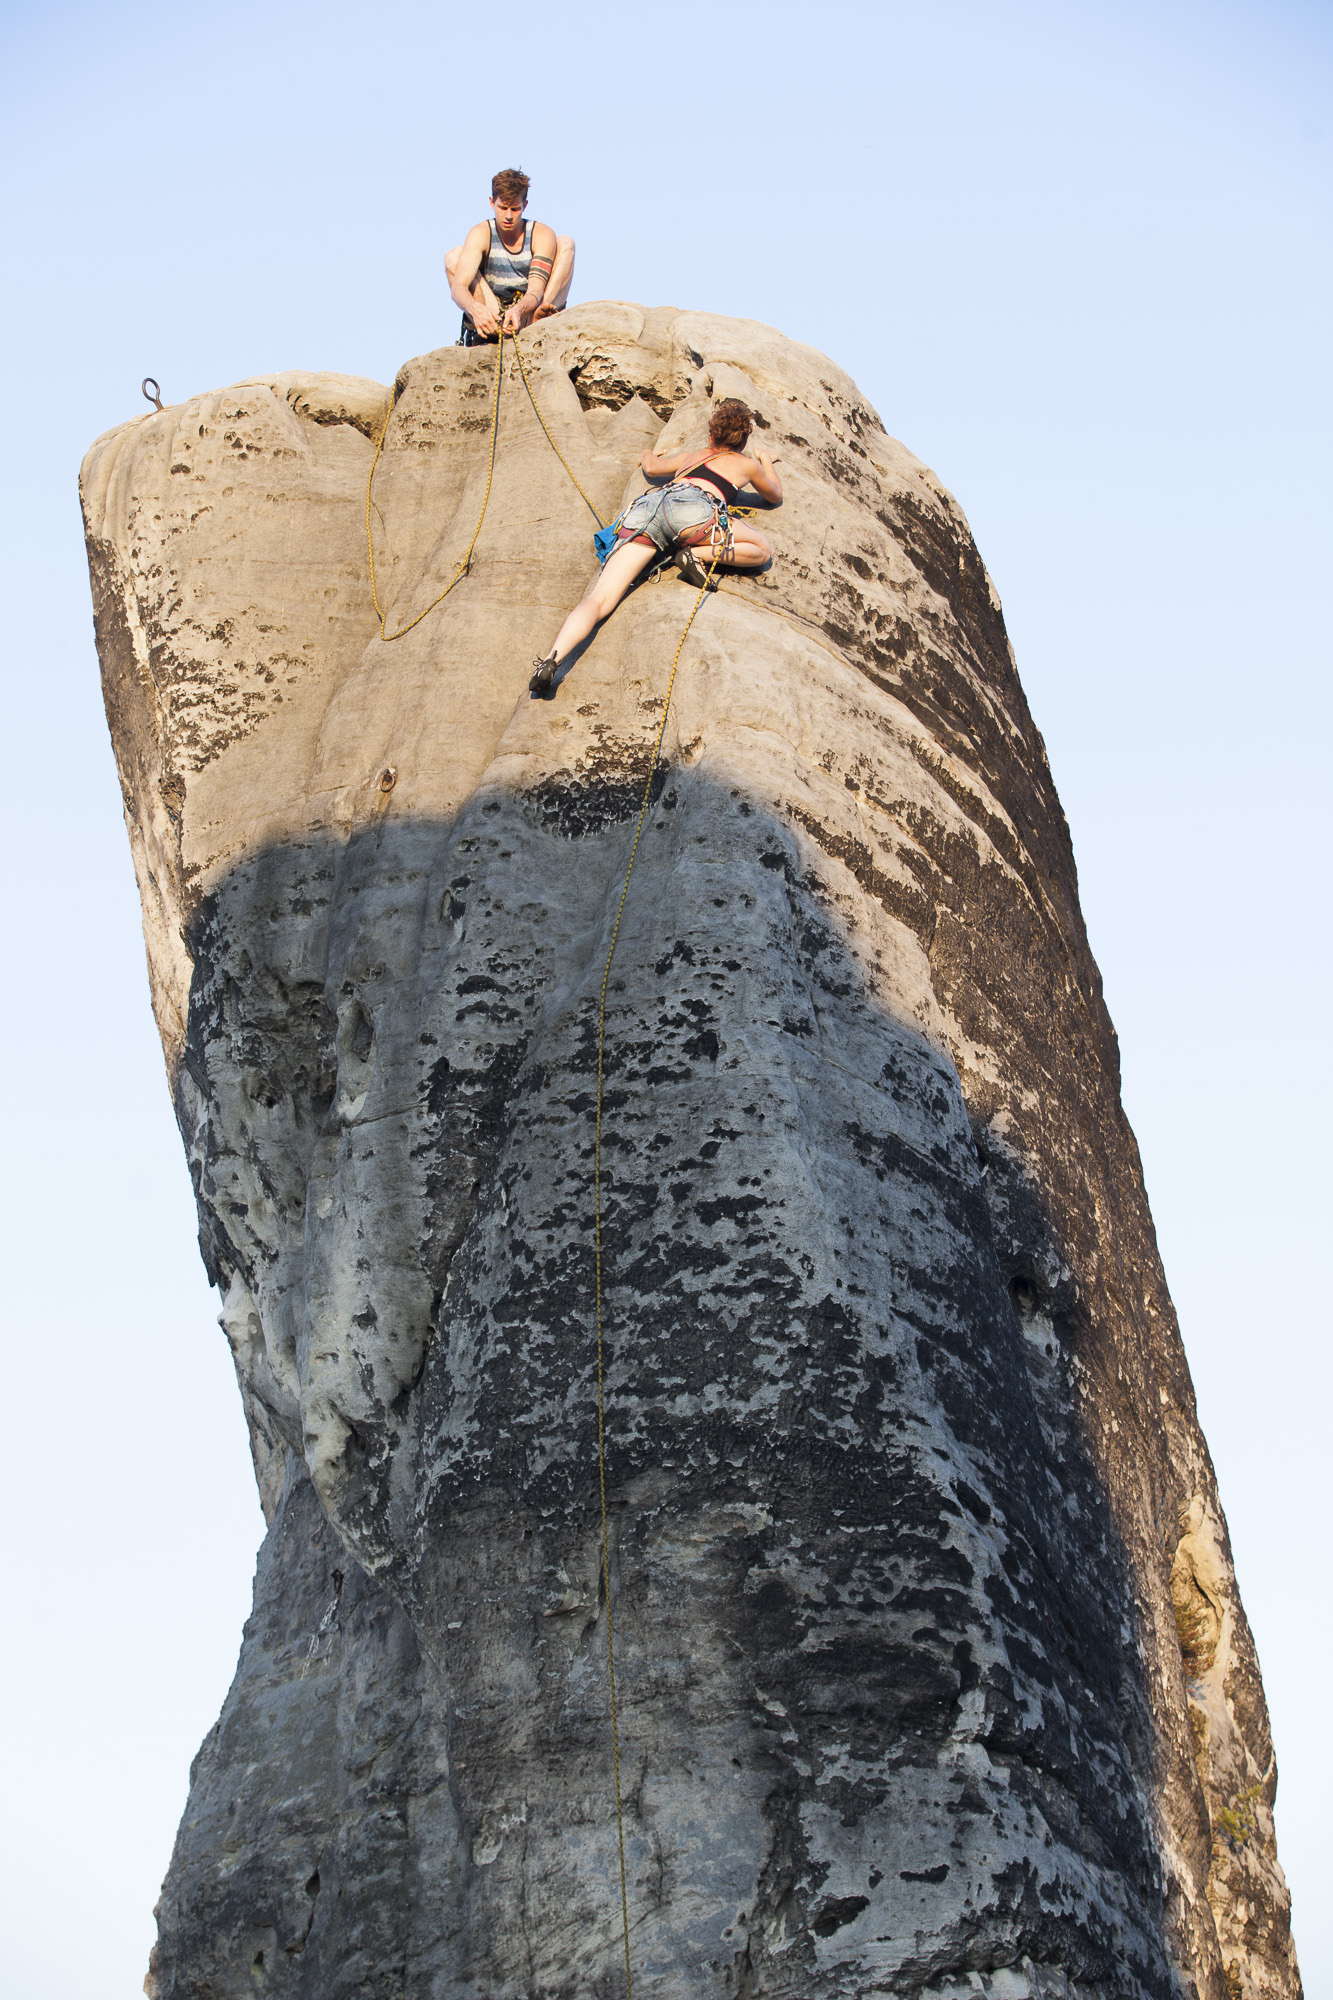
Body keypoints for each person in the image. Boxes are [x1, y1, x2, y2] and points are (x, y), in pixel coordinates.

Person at [529, 401, 781, 694]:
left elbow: (650, 466)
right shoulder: (746, 464)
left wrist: (649, 452)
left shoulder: (691, 457)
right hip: (692, 513)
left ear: (712, 434)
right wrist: (765, 460)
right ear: (744, 441)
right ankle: (694, 554)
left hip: (647, 510)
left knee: (600, 599)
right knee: (762, 548)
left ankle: (551, 660)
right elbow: (774, 495)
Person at [446, 168, 575, 345]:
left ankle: (537, 321)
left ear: (525, 205)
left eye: (515, 209)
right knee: (453, 257)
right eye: (502, 208)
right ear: (492, 203)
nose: (508, 216)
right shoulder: (481, 233)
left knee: (566, 243)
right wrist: (475, 309)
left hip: (528, 309)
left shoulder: (540, 234)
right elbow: (458, 287)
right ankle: (486, 328)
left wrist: (519, 310)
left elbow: (536, 290)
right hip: (491, 311)